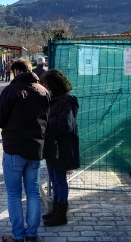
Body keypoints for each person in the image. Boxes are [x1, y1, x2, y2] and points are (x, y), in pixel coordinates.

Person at [0, 58, 51, 242]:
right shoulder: (43, 91)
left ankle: (18, 236)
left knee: (14, 194)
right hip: (35, 149)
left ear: (17, 72)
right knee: (33, 191)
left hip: (14, 149)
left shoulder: (11, 90)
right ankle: (32, 234)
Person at [39, 69, 80, 227]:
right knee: (54, 180)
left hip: (62, 147)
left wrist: (46, 122)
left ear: (53, 85)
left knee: (60, 181)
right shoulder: (53, 99)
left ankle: (61, 214)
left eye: (46, 84)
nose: (44, 87)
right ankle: (56, 209)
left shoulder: (66, 101)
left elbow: (66, 124)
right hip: (52, 147)